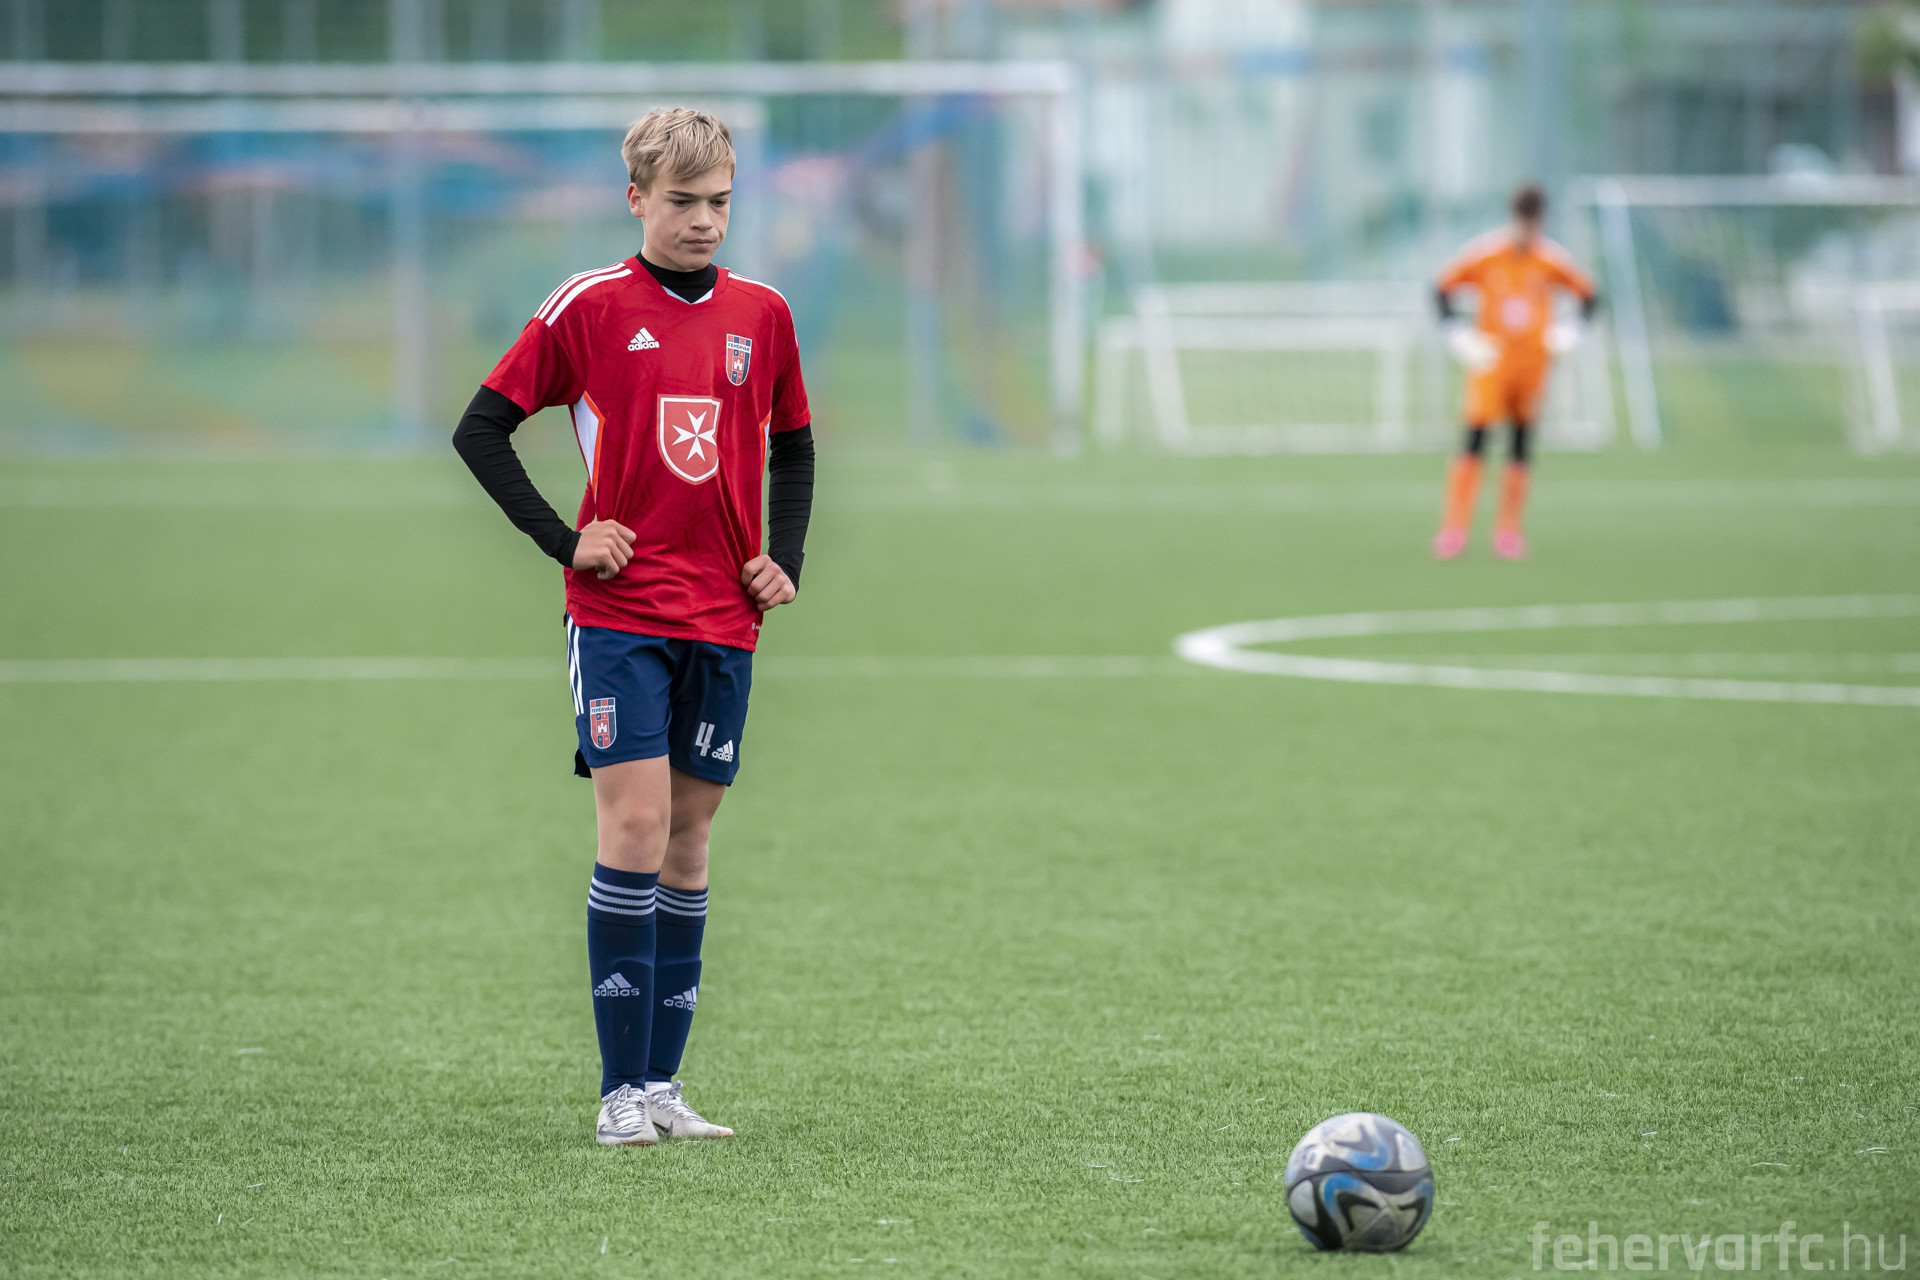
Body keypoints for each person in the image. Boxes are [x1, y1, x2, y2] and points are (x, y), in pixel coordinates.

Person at [451, 108, 815, 1146]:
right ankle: (618, 1093)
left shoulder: (764, 314)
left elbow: (794, 444)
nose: (705, 221)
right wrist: (565, 541)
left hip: (726, 615)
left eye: (720, 202)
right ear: (637, 200)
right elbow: (481, 427)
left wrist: (784, 558)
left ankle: (662, 1086)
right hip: (620, 615)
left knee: (690, 840)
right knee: (637, 829)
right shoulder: (590, 306)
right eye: (683, 202)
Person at [1432, 184, 1596, 560]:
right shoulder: (1486, 254)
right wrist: (1457, 333)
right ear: (1514, 219)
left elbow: (1589, 295)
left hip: (1532, 367)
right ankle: (1454, 529)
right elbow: (1441, 288)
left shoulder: (1551, 259)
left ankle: (1508, 531)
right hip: (1491, 364)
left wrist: (1572, 333)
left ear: (1542, 222)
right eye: (1523, 222)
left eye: (1533, 224)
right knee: (1475, 440)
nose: (1528, 231)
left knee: (1520, 445)